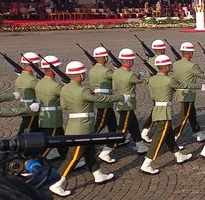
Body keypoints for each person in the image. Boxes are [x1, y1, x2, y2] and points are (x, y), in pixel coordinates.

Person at [49, 61, 127, 197]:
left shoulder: (65, 89)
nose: (84, 74)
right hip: (82, 129)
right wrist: (120, 97)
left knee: (90, 152)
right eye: (83, 73)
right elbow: (101, 98)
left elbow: (64, 106)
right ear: (79, 75)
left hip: (74, 126)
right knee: (73, 158)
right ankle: (57, 182)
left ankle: (98, 175)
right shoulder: (83, 91)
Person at [140, 55, 201, 175]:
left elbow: (152, 96)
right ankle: (146, 164)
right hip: (164, 112)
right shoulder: (169, 80)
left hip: (157, 110)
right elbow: (184, 86)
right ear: (166, 66)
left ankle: (179, 155)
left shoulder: (152, 79)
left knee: (168, 136)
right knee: (159, 138)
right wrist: (199, 86)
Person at [98, 48, 149, 164]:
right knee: (122, 130)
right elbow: (143, 81)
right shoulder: (130, 75)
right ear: (130, 61)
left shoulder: (117, 72)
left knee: (134, 126)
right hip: (127, 104)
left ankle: (141, 145)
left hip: (121, 103)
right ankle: (105, 152)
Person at [172, 42, 205, 143]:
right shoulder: (192, 65)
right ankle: (174, 137)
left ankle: (198, 133)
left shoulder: (175, 64)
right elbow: (204, 76)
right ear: (189, 53)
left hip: (180, 93)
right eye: (192, 52)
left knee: (192, 114)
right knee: (184, 116)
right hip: (188, 94)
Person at [35, 55, 67, 161]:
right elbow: (68, 94)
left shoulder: (40, 83)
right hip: (53, 119)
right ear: (55, 69)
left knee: (61, 141)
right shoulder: (55, 86)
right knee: (49, 143)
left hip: (44, 117)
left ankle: (67, 158)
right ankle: (34, 163)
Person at [141, 39, 167, 142]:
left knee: (157, 108)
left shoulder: (150, 60)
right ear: (162, 49)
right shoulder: (162, 59)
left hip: (153, 86)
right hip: (161, 88)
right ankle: (145, 131)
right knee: (157, 110)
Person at [16, 52, 41, 135]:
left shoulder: (20, 78)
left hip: (24, 106)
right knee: (29, 130)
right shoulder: (32, 80)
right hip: (33, 110)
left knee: (25, 126)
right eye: (37, 64)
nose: (38, 66)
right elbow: (42, 91)